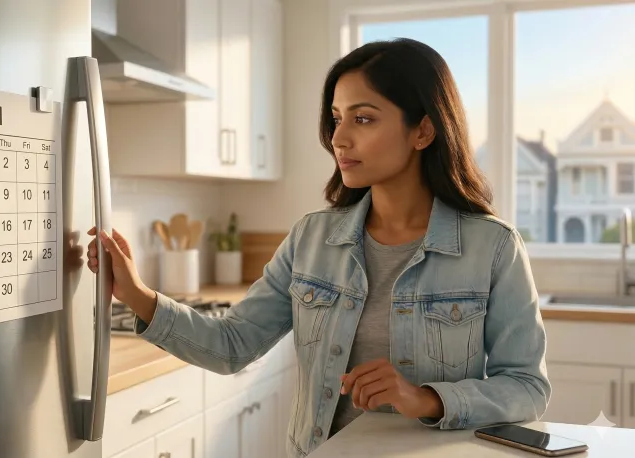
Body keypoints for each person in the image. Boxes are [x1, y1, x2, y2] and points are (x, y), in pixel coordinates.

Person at [85, 38, 551, 458]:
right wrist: (138, 294)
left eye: (363, 118)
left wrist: (425, 398)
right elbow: (232, 346)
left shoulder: (493, 247)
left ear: (423, 131)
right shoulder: (311, 239)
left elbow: (527, 387)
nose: (338, 138)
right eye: (335, 119)